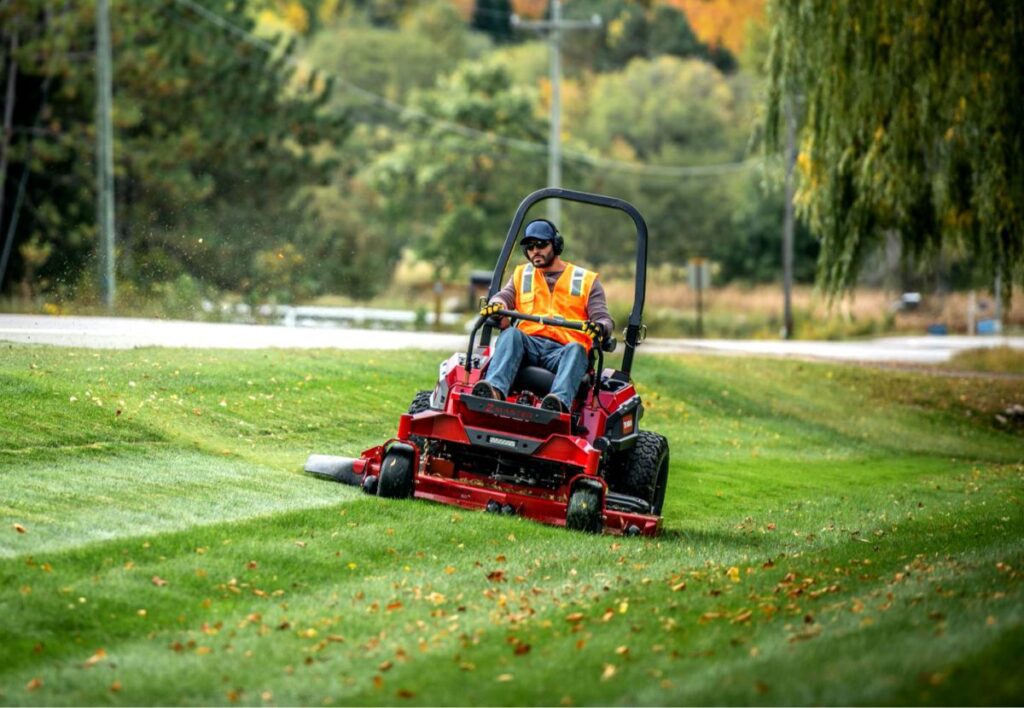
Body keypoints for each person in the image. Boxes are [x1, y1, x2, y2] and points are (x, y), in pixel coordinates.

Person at [471, 218, 614, 413]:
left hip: (563, 351)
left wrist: (599, 327)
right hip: (528, 345)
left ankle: (557, 404)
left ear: (556, 244)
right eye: (530, 247)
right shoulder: (522, 275)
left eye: (541, 244)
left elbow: (603, 319)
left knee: (577, 350)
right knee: (511, 334)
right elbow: (504, 296)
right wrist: (497, 305)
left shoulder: (586, 281)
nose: (535, 251)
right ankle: (493, 391)